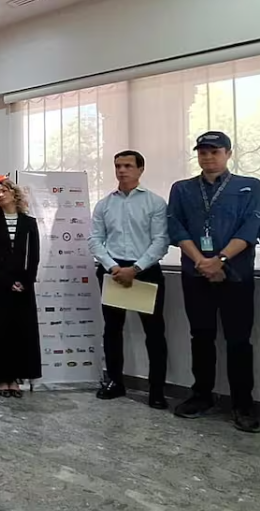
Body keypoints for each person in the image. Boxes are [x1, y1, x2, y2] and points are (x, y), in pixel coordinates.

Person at [167, 131, 260, 433]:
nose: (208, 157)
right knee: (200, 337)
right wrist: (202, 262)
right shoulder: (182, 189)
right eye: (203, 152)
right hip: (196, 273)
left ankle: (243, 404)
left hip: (236, 275)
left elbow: (252, 227)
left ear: (228, 154)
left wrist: (220, 260)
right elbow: (176, 226)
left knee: (239, 341)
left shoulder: (249, 186)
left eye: (215, 151)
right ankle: (201, 396)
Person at [89, 150, 170, 409]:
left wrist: (135, 268)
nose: (122, 170)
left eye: (127, 165)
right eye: (118, 166)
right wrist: (113, 266)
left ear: (140, 169)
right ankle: (115, 382)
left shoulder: (155, 203)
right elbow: (95, 240)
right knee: (112, 330)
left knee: (154, 333)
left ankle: (156, 390)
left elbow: (161, 241)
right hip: (112, 271)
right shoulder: (104, 204)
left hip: (145, 271)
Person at [0, 178, 41, 397]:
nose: (0, 195)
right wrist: (7, 282)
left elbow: (34, 255)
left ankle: (15, 378)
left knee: (20, 332)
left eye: (4, 191)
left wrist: (26, 281)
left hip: (24, 287)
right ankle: (1, 378)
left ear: (14, 193)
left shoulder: (29, 222)